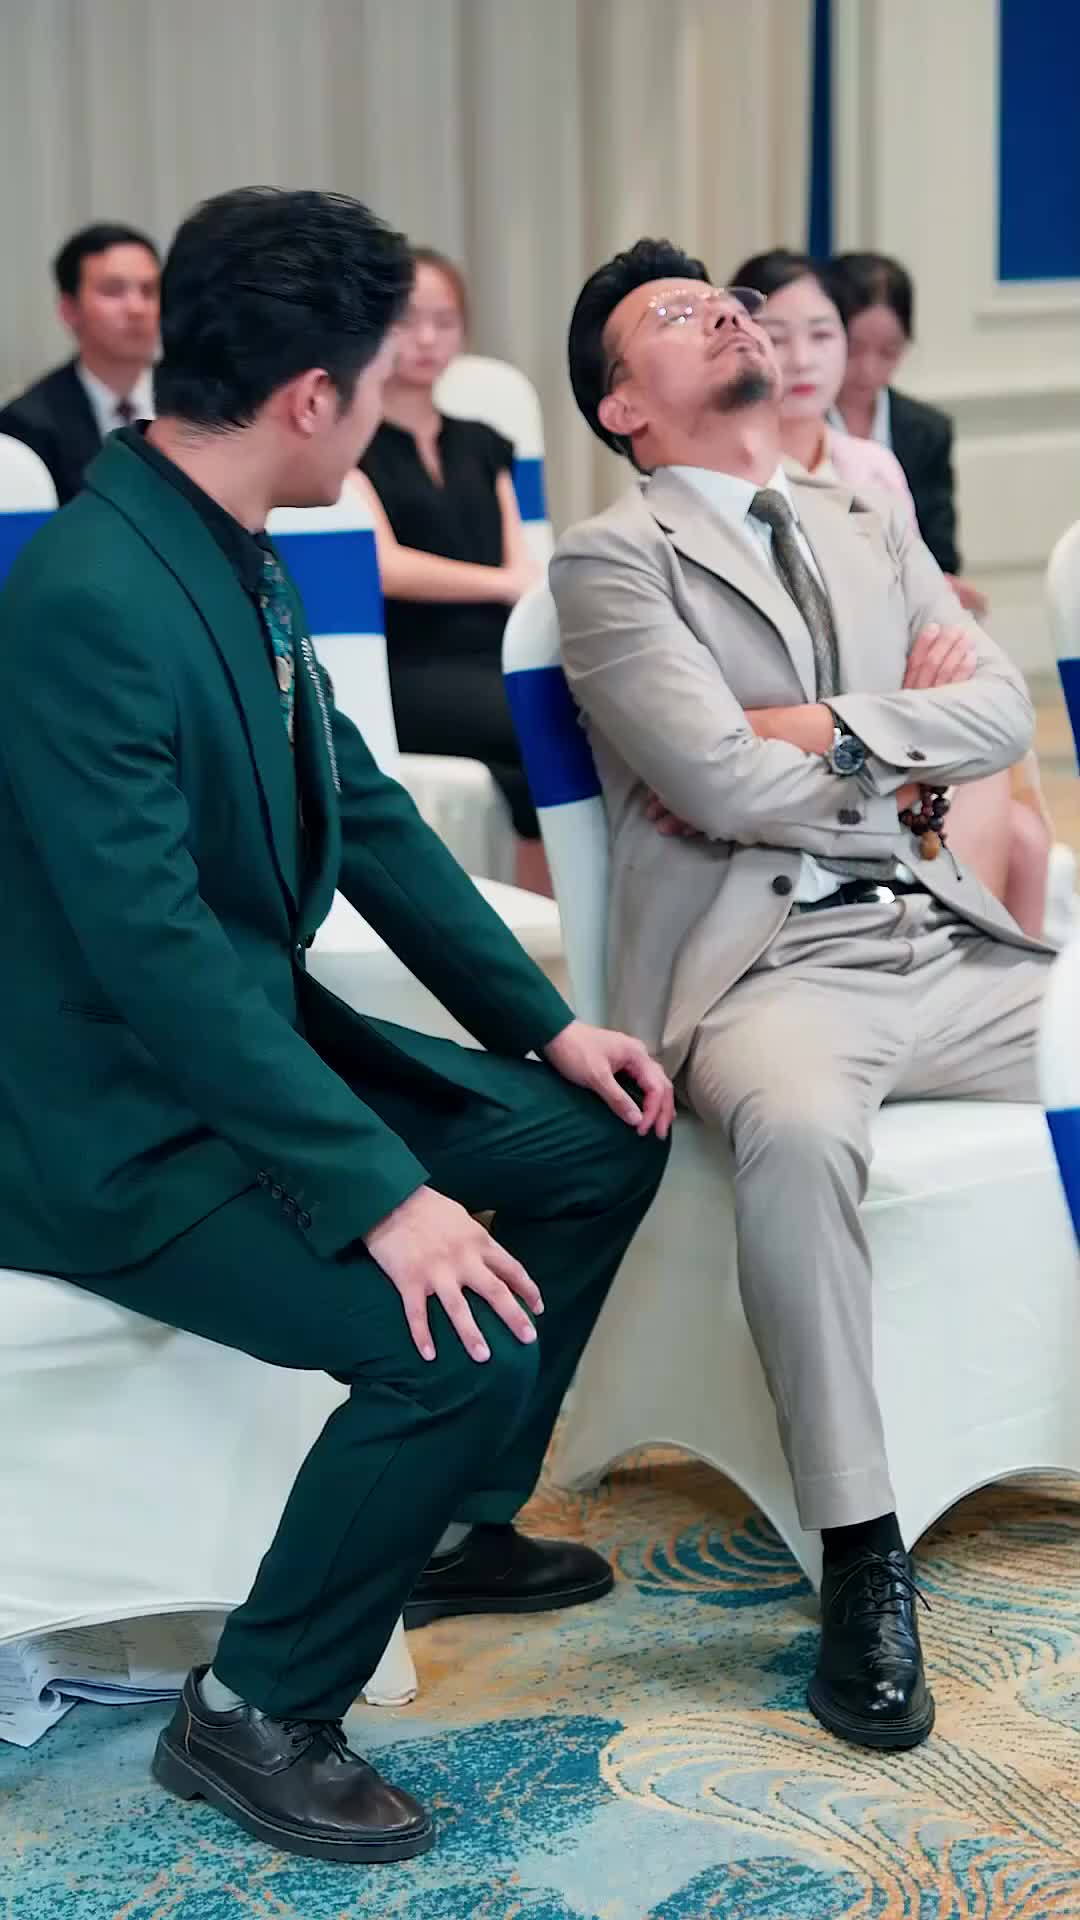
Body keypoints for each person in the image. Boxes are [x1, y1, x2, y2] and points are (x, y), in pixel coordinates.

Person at [0, 189, 672, 1866]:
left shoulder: (219, 538)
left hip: (244, 1051)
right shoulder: (90, 594)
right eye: (375, 383)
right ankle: (253, 1709)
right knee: (460, 1342)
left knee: (598, 1144)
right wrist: (382, 1193)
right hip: (112, 1126)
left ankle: (444, 1522)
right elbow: (152, 957)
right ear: (313, 396)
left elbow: (358, 806)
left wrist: (547, 1025)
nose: (382, 410)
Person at [553, 237, 1052, 1756]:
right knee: (798, 1139)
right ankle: (860, 1558)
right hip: (770, 973)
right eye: (673, 314)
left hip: (943, 936)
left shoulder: (862, 516)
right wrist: (892, 756)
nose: (722, 310)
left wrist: (806, 726)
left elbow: (1000, 711)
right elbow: (709, 779)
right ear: (624, 407)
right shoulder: (610, 560)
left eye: (723, 296)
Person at [730, 248, 1052, 937]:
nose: (804, 359)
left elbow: (923, 622)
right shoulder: (734, 476)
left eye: (823, 334)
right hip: (822, 738)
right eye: (778, 337)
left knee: (1026, 839)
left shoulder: (872, 468)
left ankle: (1000, 979)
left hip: (905, 712)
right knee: (995, 814)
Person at [352, 248, 550, 895]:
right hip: (407, 665)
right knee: (548, 723)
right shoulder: (348, 440)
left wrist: (517, 588)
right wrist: (500, 584)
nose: (427, 339)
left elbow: (520, 559)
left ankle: (557, 927)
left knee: (557, 731)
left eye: (445, 321)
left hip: (493, 655)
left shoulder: (484, 440)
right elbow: (384, 566)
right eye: (407, 321)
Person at [826, 249, 986, 616]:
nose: (869, 370)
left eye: (889, 352)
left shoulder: (926, 431)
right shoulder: (799, 423)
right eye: (854, 349)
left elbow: (940, 553)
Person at [0, 222, 160, 503]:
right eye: (113, 290)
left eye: (148, 290)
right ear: (69, 310)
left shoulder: (200, 403)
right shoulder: (28, 423)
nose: (137, 308)